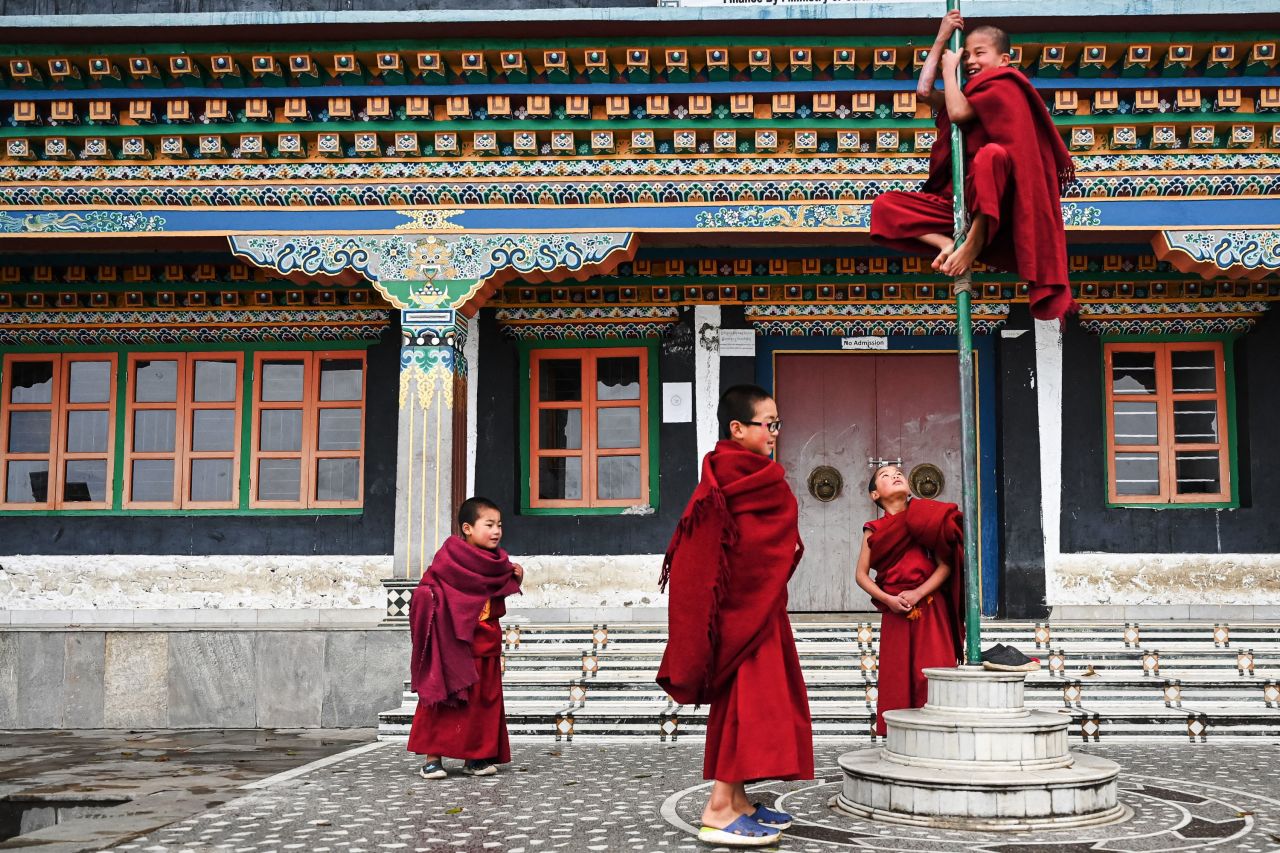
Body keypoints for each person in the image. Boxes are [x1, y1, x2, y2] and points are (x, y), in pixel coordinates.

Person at [657, 384, 813, 848]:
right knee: (744, 708)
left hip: (761, 610)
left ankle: (739, 800)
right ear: (738, 428)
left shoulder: (754, 476)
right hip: (741, 616)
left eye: (778, 424)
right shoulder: (721, 484)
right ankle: (719, 808)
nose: (776, 434)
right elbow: (705, 562)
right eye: (769, 424)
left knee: (750, 707)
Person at [870, 10, 1078, 323]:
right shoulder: (966, 90)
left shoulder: (1006, 84)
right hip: (960, 199)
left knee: (990, 155)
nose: (970, 61)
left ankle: (974, 241)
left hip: (996, 196)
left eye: (980, 53)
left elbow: (958, 113)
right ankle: (949, 244)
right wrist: (942, 39)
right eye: (966, 55)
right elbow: (924, 92)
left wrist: (950, 68)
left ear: (1004, 60)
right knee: (884, 206)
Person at [407, 496, 524, 779]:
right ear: (468, 528)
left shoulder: (499, 563)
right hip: (452, 644)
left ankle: (476, 758)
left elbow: (496, 598)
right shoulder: (449, 558)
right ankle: (432, 759)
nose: (496, 531)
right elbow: (427, 590)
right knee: (442, 699)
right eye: (489, 525)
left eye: (499, 525)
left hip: (485, 641)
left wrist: (515, 579)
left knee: (484, 702)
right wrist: (430, 600)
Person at [855, 465, 963, 736]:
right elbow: (861, 575)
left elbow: (945, 566)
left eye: (898, 472)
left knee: (933, 669)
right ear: (874, 495)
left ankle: (940, 734)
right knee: (899, 676)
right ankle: (904, 736)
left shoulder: (927, 519)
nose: (894, 475)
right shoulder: (873, 529)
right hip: (896, 610)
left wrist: (918, 593)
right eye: (884, 475)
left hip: (929, 604)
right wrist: (888, 600)